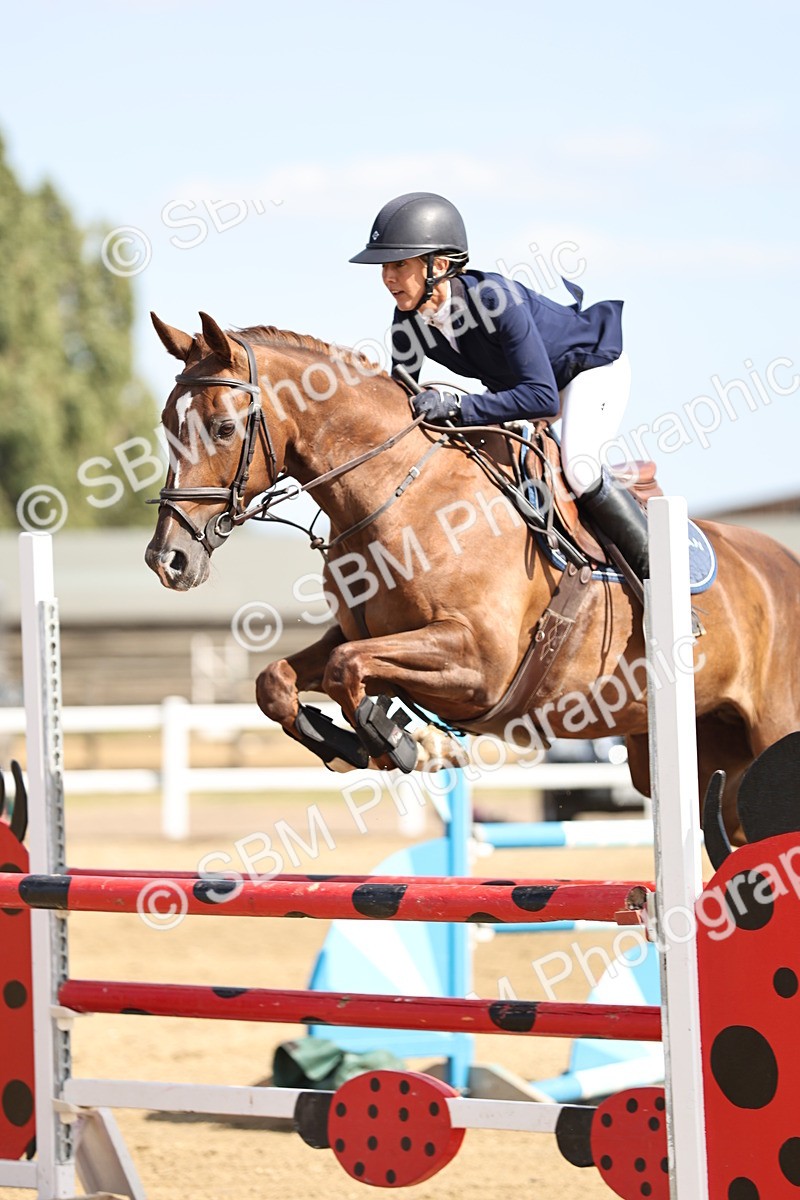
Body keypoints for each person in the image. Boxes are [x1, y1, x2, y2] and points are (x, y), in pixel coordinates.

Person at [349, 191, 648, 584]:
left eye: (399, 264)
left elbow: (541, 398)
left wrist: (456, 404)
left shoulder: (496, 300)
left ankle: (659, 576)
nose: (387, 277)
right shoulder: (408, 319)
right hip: (525, 387)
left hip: (587, 371)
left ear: (438, 265)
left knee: (580, 467)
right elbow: (403, 395)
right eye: (384, 266)